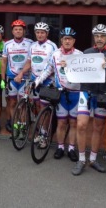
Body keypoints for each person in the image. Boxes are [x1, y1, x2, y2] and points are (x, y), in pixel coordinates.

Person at [73, 24, 106, 176]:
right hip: (86, 92)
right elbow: (76, 70)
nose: (99, 38)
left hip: (103, 94)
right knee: (81, 125)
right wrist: (66, 66)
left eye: (102, 36)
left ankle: (93, 159)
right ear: (94, 37)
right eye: (97, 36)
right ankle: (81, 159)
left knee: (98, 127)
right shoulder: (86, 53)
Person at [34, 27, 81, 161]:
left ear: (74, 41)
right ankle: (60, 147)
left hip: (75, 94)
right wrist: (37, 81)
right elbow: (48, 70)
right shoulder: (55, 55)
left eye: (70, 39)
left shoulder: (80, 55)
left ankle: (71, 148)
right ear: (61, 40)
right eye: (65, 39)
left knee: (73, 123)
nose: (67, 41)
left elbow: (85, 73)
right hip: (61, 94)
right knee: (61, 123)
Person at [16, 22, 57, 139]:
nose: (40, 35)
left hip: (47, 81)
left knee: (44, 108)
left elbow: (54, 65)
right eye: (38, 32)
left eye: (42, 32)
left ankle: (44, 134)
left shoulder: (52, 46)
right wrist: (21, 73)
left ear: (47, 33)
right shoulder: (32, 46)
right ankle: (41, 130)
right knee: (37, 106)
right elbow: (29, 62)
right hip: (34, 80)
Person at [0, 19, 33, 133]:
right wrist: (2, 79)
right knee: (12, 102)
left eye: (20, 29)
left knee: (23, 104)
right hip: (11, 77)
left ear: (24, 31)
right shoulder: (7, 44)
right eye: (16, 29)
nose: (18, 31)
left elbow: (32, 61)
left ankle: (23, 125)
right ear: (12, 31)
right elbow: (3, 62)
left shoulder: (30, 43)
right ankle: (15, 124)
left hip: (25, 78)